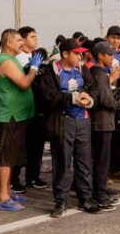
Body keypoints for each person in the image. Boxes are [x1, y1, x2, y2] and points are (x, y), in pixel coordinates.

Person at [35, 39, 99, 217]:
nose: (80, 57)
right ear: (65, 54)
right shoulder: (52, 71)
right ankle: (60, 201)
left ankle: (85, 198)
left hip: (83, 120)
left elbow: (94, 87)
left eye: (81, 53)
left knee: (84, 162)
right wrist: (72, 98)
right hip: (63, 121)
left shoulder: (82, 69)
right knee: (62, 162)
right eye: (76, 53)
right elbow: (48, 96)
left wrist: (89, 98)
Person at [0, 29, 41, 212]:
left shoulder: (11, 59)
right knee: (7, 157)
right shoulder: (6, 61)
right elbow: (24, 83)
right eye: (19, 40)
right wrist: (34, 68)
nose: (22, 43)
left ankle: (8, 191)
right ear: (8, 42)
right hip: (10, 116)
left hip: (18, 115)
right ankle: (2, 196)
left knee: (13, 156)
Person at [86, 41, 120, 207]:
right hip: (102, 122)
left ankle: (99, 189)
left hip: (102, 121)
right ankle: (99, 194)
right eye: (109, 55)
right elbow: (106, 100)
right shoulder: (100, 73)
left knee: (101, 159)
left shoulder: (99, 72)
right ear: (100, 56)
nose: (112, 58)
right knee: (102, 160)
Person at [15, 26, 47, 191]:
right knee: (20, 147)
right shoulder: (17, 58)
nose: (36, 39)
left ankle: (33, 176)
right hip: (21, 107)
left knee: (36, 145)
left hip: (37, 107)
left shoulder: (35, 56)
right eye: (32, 37)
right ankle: (14, 180)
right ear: (23, 39)